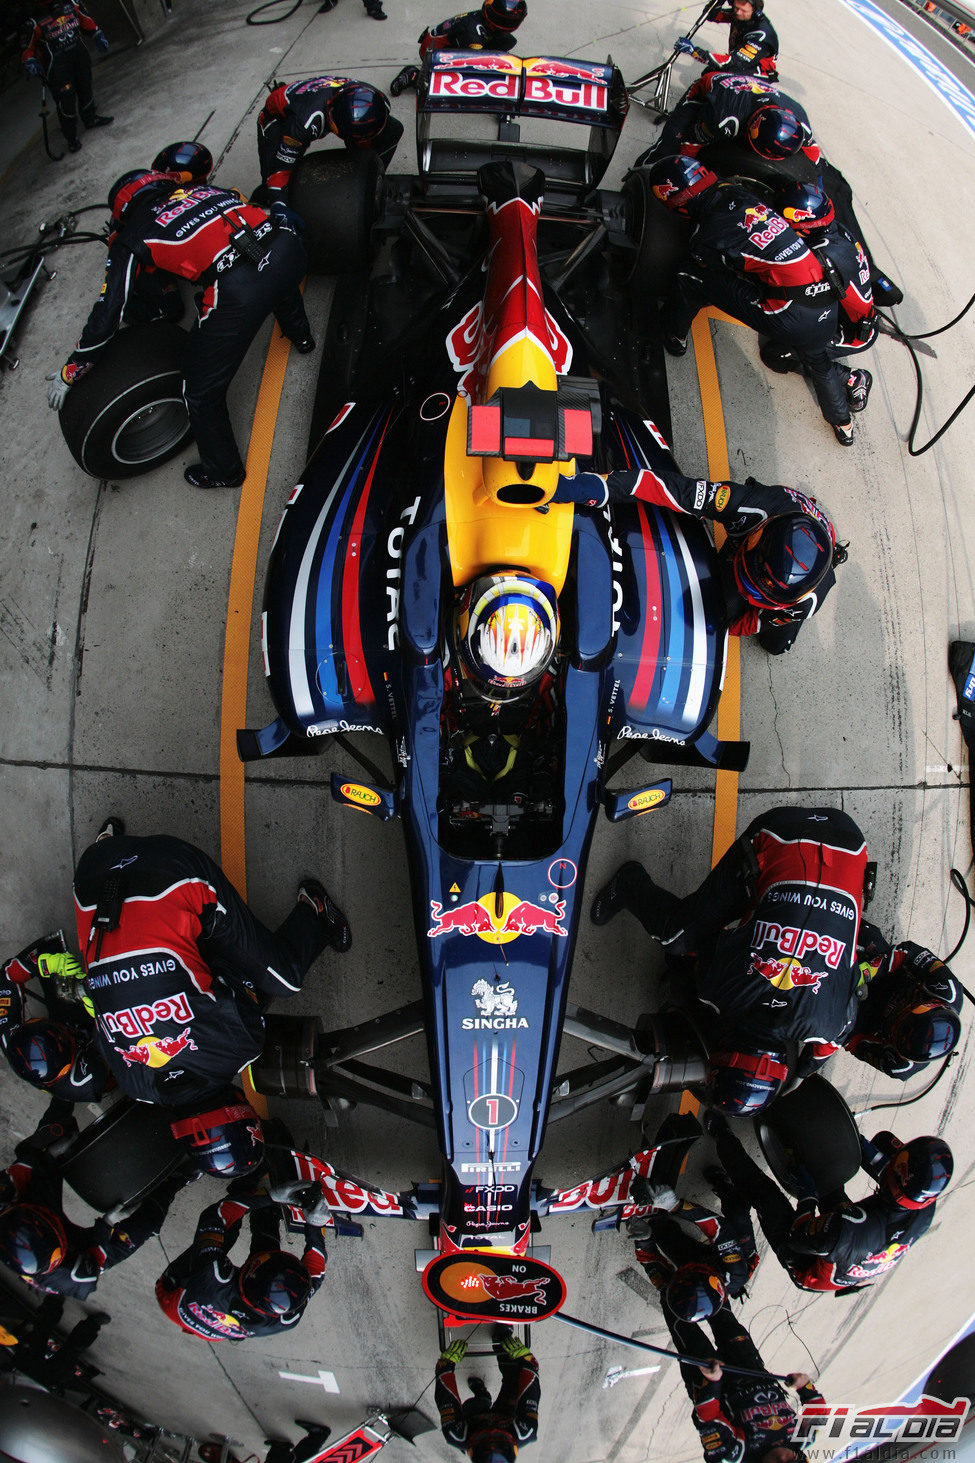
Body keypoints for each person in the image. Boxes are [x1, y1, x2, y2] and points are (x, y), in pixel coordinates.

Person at [46, 170, 316, 489]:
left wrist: (73, 370)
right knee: (273, 273)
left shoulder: (133, 237)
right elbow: (252, 208)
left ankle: (223, 472)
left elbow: (108, 313)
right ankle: (302, 338)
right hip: (289, 246)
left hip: (239, 291)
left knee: (199, 391)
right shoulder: (205, 190)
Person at [591, 806, 872, 1110]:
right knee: (676, 938)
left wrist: (801, 1074)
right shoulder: (722, 990)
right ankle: (629, 882)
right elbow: (701, 944)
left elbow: (825, 1049)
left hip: (849, 839)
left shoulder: (830, 1025)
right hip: (780, 834)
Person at [70, 822, 349, 1111]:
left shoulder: (236, 1049)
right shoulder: (131, 1076)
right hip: (94, 869)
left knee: (284, 979)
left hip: (174, 873)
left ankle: (314, 909)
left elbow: (241, 993)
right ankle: (107, 843)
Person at [645, 156, 870, 445]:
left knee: (691, 277)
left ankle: (674, 337)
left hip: (787, 314)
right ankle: (844, 425)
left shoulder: (708, 229)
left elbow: (706, 264)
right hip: (825, 308)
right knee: (819, 364)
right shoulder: (741, 194)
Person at [550, 467, 843, 653]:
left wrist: (724, 627)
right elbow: (674, 488)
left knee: (774, 644)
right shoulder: (747, 504)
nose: (750, 590)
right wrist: (600, 489)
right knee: (715, 597)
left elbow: (752, 623)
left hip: (794, 572)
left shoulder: (807, 602)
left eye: (762, 589)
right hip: (775, 507)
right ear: (758, 534)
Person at [708, 1117, 953, 1293]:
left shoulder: (848, 1229)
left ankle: (722, 1138)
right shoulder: (924, 1205)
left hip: (810, 1261)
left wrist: (807, 1197)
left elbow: (797, 1237)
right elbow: (885, 1164)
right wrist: (850, 1139)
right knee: (834, 1171)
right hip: (856, 1243)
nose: (894, 1161)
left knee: (766, 1196)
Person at [0, 1103, 190, 1299]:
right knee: (145, 1224)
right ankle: (176, 1178)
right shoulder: (72, 1277)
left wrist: (51, 1154)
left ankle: (68, 1088)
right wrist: (107, 1223)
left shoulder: (7, 1193)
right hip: (82, 1250)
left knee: (48, 1139)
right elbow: (95, 1259)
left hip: (37, 1203)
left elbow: (29, 1158)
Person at [156, 1181, 326, 1340]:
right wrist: (315, 1226)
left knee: (226, 1234)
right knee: (266, 1242)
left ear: (250, 1271)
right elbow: (316, 1273)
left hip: (174, 1298)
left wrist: (268, 1195)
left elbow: (216, 1216)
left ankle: (246, 1181)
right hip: (219, 1325)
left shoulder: (212, 1273)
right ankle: (267, 1212)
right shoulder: (288, 1319)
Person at [759, 181, 876, 378]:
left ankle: (852, 379)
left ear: (806, 228)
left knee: (777, 355)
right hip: (839, 300)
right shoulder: (829, 227)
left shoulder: (823, 257)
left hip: (849, 330)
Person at [256, 77, 403, 209]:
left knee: (393, 130)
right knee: (272, 190)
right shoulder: (305, 123)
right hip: (278, 117)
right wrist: (279, 207)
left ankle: (368, 177)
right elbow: (280, 172)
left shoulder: (380, 102)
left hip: (322, 94)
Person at [0, 936, 110, 1102]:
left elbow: (8, 976)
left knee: (50, 954)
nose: (67, 1031)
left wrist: (47, 964)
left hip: (69, 1027)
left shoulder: (9, 1034)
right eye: (66, 1035)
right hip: (99, 1056)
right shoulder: (87, 1082)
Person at [640, 72, 819, 169]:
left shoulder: (802, 123)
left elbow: (814, 159)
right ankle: (641, 169)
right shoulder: (725, 119)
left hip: (753, 90)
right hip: (710, 90)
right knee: (670, 145)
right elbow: (691, 141)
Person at [847, 937, 963, 1079]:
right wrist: (868, 972)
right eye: (902, 1016)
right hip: (886, 974)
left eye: (897, 1031)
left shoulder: (899, 1067)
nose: (896, 1015)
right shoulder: (947, 989)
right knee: (866, 938)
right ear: (928, 1004)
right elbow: (909, 952)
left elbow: (854, 1042)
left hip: (863, 1017)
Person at [435, 1323, 540, 1460]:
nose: (491, 1428)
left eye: (484, 1435)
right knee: (516, 1378)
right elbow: (530, 1387)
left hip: (474, 1414)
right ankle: (502, 1339)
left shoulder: (455, 1433)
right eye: (498, 1435)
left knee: (474, 1405)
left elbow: (446, 1396)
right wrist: (527, 1361)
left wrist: (446, 1364)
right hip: (506, 1414)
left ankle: (482, 1397)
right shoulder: (527, 1431)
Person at [20, 0, 112, 154]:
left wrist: (97, 33)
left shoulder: (71, 3)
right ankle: (71, 138)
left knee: (85, 87)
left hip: (79, 55)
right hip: (57, 67)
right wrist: (29, 61)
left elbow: (85, 20)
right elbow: (26, 48)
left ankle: (90, 118)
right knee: (66, 101)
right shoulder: (34, 21)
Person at [391, 0, 527, 96]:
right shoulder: (473, 35)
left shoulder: (485, 17)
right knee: (459, 81)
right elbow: (475, 64)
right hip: (433, 52)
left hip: (455, 42)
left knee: (507, 41)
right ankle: (413, 75)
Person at [677, 0, 779, 81]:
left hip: (757, 76)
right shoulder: (741, 15)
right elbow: (712, 16)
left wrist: (694, 52)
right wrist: (718, 2)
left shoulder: (761, 35)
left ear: (756, 11)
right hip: (741, 67)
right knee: (708, 74)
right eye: (736, 7)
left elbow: (733, 62)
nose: (738, 12)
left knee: (713, 79)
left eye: (743, 10)